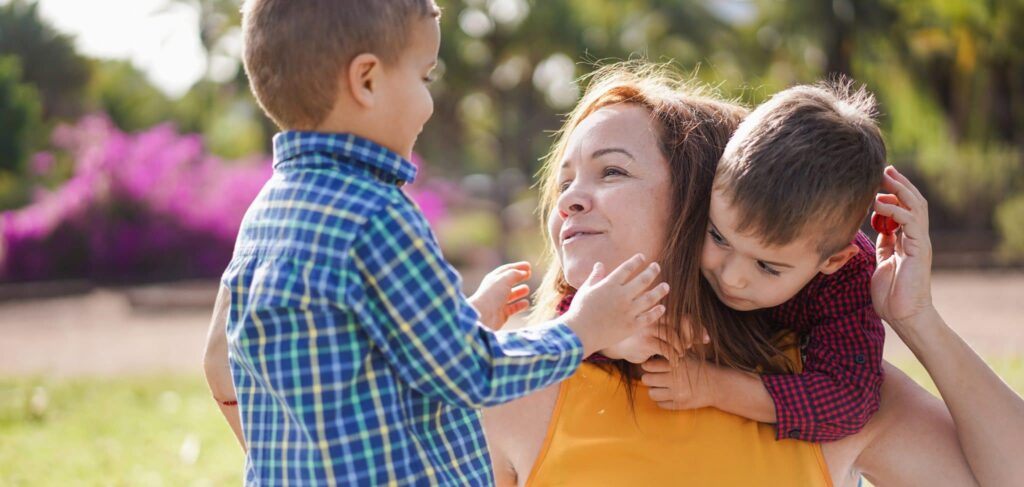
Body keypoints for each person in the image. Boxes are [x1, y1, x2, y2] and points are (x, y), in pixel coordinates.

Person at [483, 62, 1013, 486]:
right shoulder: (515, 387)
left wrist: (919, 320)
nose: (569, 199)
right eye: (565, 179)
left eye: (613, 170)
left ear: (702, 200)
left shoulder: (825, 392)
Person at [210, 2, 670, 484]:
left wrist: (463, 319)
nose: (430, 103)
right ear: (366, 80)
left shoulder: (267, 214)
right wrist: (582, 329)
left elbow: (353, 359)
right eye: (424, 77)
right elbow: (475, 375)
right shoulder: (377, 214)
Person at [599, 80, 888, 443]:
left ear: (833, 260)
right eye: (719, 238)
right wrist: (615, 343)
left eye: (767, 266)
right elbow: (573, 307)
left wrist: (717, 388)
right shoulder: (692, 212)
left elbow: (848, 400)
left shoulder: (848, 275)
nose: (731, 278)